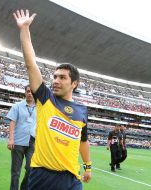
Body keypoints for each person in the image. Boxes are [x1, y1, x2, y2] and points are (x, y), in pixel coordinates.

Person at [13, 9, 92, 190]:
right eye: (55, 77)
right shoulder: (45, 98)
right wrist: (24, 29)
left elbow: (83, 141)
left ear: (74, 84)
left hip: (72, 177)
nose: (56, 81)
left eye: (62, 78)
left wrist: (87, 166)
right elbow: (30, 64)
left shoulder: (82, 111)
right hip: (42, 175)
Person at [6, 85, 36, 190]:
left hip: (33, 143)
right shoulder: (17, 106)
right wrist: (11, 139)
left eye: (32, 91)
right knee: (15, 171)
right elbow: (12, 122)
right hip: (18, 142)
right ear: (25, 92)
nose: (30, 93)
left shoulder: (40, 108)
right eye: (28, 91)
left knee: (30, 168)